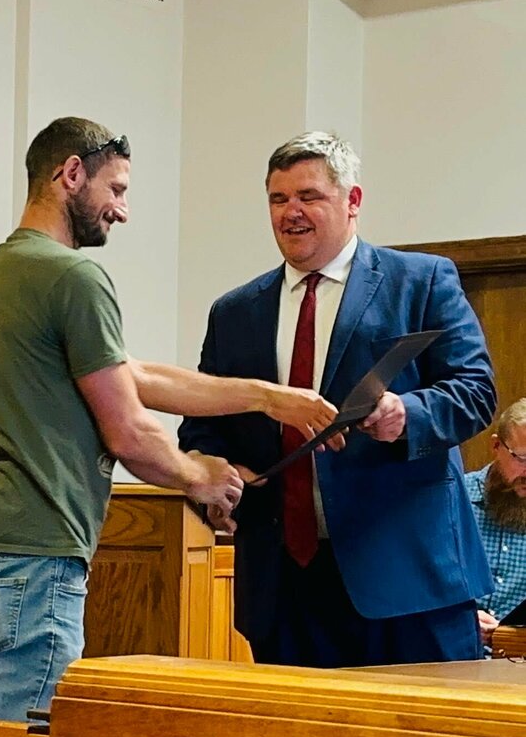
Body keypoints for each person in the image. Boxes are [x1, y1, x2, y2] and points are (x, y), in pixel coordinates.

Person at [0, 117, 340, 722]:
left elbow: (133, 374)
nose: (121, 211)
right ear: (71, 174)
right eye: (117, 190)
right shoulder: (74, 276)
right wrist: (197, 475)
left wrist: (268, 397)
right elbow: (128, 428)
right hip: (37, 555)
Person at [179, 130, 497, 669]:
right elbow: (204, 423)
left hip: (407, 581)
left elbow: (475, 391)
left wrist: (408, 414)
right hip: (284, 584)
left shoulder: (419, 281)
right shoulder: (234, 312)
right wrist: (213, 465)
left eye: (309, 197)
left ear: (352, 201)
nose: (291, 213)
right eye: (278, 200)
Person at [464, 398, 526, 644]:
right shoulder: (455, 502)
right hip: (452, 658)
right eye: (522, 458)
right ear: (496, 445)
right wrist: (458, 618)